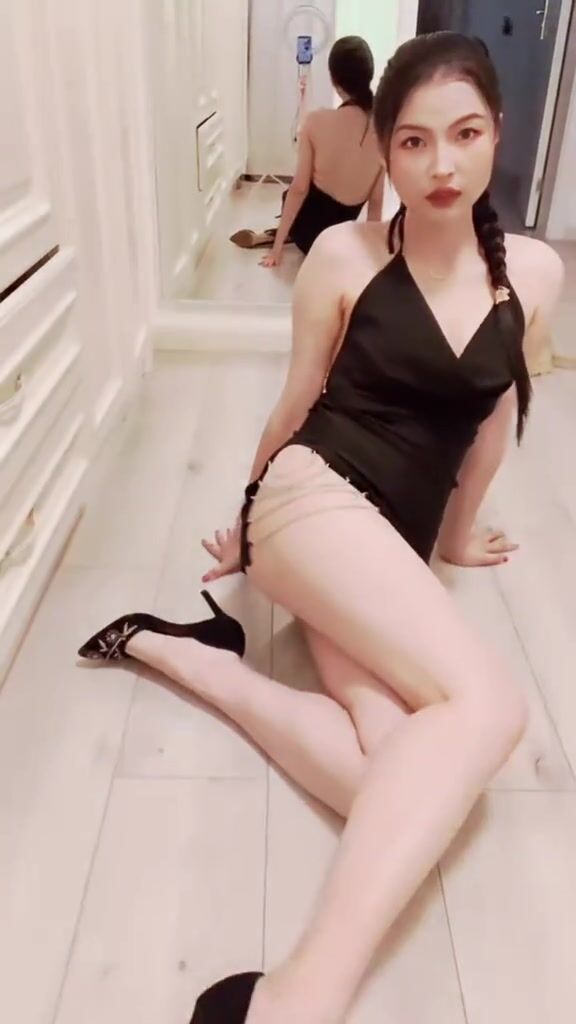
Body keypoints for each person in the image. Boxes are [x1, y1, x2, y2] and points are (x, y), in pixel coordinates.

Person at [79, 32, 564, 1024]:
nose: (441, 164)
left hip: (388, 547)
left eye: (465, 134)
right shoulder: (346, 256)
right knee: (488, 709)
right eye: (414, 141)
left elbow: (496, 417)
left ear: (498, 133)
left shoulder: (535, 272)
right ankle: (296, 1000)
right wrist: (247, 518)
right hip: (312, 498)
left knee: (395, 768)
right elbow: (295, 403)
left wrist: (458, 533)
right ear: (385, 148)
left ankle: (191, 658)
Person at [230, 35, 385, 266]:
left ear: (333, 78)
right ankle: (283, 232)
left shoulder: (315, 121)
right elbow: (376, 202)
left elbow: (299, 189)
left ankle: (281, 234)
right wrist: (371, 255)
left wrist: (276, 251)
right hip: (341, 237)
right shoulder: (384, 131)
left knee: (290, 193)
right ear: (369, 76)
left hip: (309, 238)